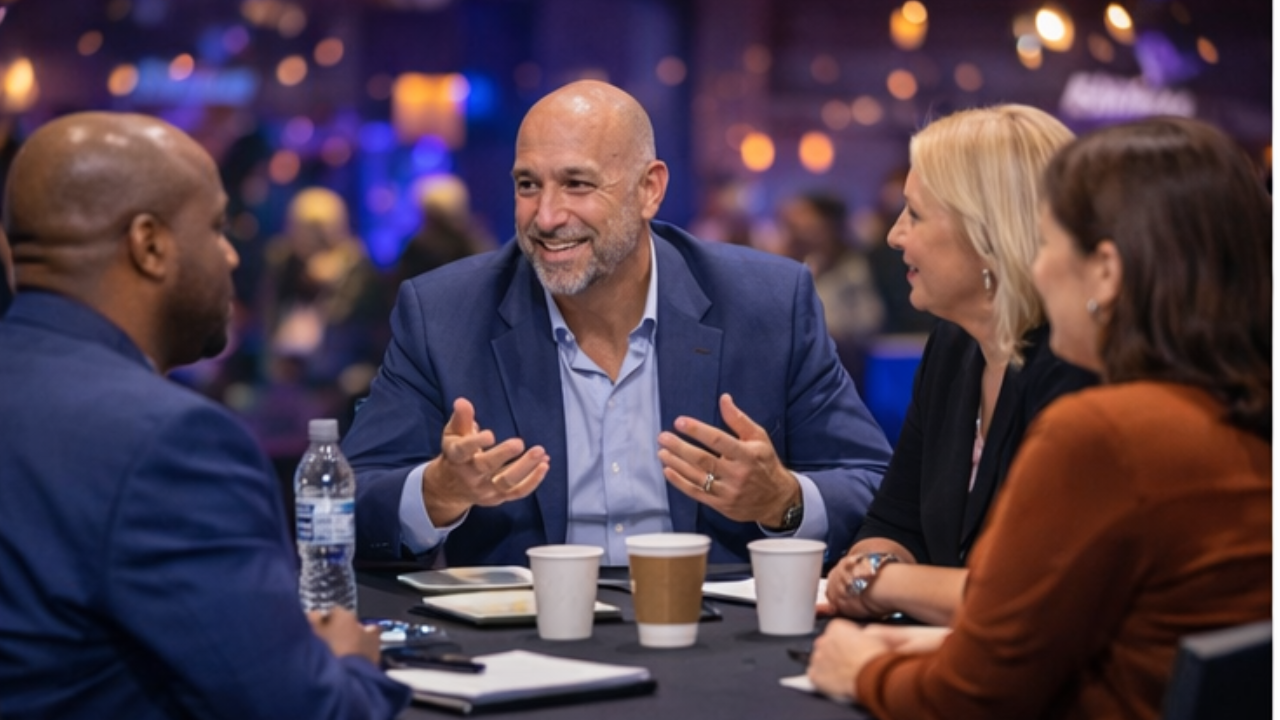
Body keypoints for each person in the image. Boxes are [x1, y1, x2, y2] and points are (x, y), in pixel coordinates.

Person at [808, 117, 1272, 718]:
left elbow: (975, 696)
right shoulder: (1233, 410)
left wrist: (866, 668)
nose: (1039, 268)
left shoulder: (1105, 431)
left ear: (1106, 272)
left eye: (1048, 242)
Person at [342, 80, 892, 567]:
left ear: (649, 189)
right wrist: (435, 492)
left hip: (722, 638)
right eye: (528, 185)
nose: (547, 217)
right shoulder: (443, 313)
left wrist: (782, 499)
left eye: (578, 184)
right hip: (523, 643)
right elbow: (347, 503)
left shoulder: (768, 303)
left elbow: (873, 486)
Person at [0, 112, 410, 718]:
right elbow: (310, 711)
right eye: (216, 228)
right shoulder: (170, 443)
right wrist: (349, 661)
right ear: (150, 244)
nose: (231, 255)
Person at [821, 105, 1097, 626]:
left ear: (990, 236)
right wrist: (874, 566)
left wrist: (881, 580)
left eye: (916, 215)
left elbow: (1037, 595)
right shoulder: (954, 346)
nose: (894, 236)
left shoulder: (1077, 370)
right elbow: (893, 520)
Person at [776, 191, 885, 386]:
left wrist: (832, 332)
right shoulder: (782, 264)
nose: (800, 231)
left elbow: (870, 318)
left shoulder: (852, 267)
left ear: (828, 225)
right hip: (792, 359)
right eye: (791, 226)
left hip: (842, 359)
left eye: (809, 224)